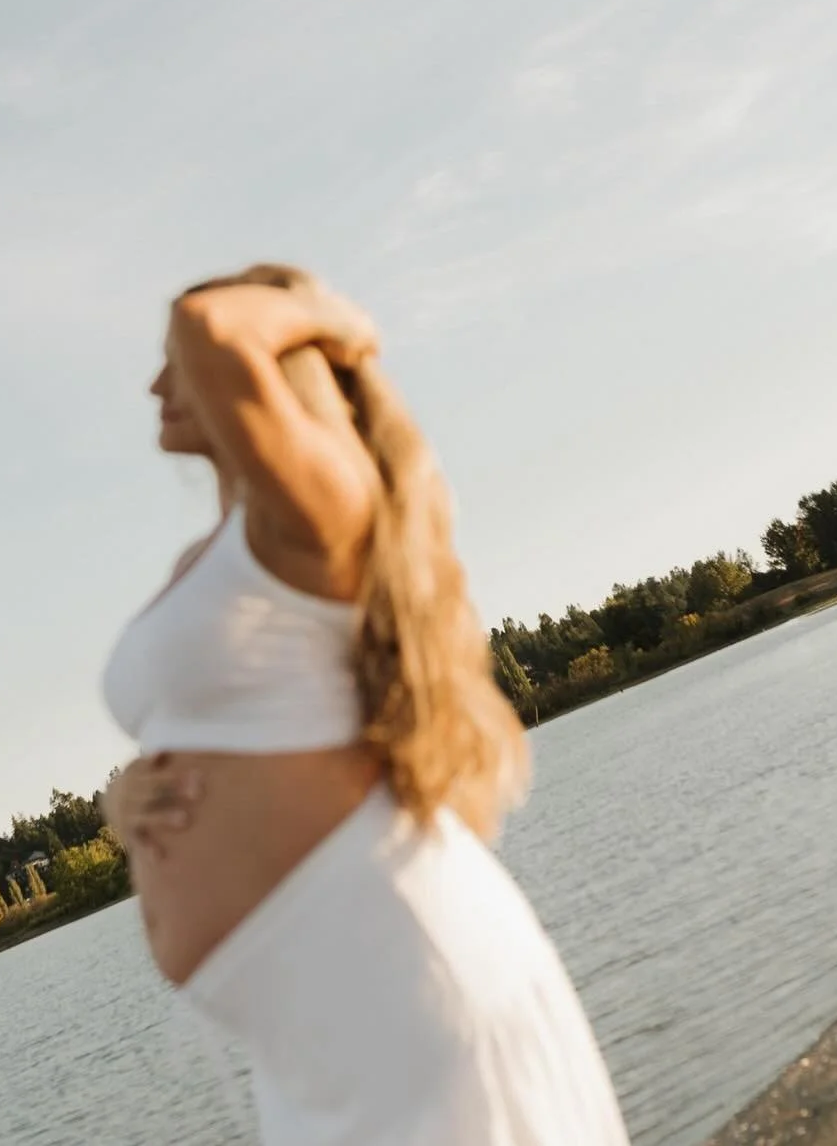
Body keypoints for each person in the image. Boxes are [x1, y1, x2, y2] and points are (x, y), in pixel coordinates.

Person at [101, 264, 630, 1146]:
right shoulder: (213, 558)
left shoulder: (325, 510)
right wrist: (129, 803)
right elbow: (226, 720)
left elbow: (209, 325)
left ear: (272, 366)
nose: (159, 383)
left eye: (174, 363)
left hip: (400, 983)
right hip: (308, 1035)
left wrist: (329, 316)